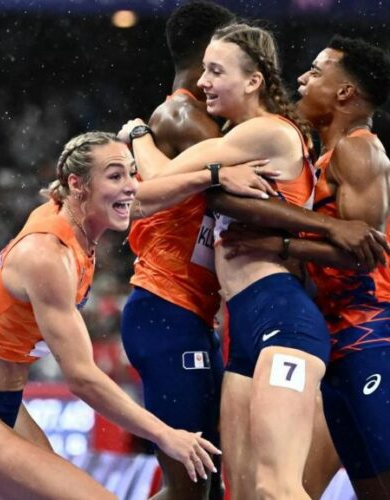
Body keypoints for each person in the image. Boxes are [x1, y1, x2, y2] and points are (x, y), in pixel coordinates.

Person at [118, 23, 366, 498]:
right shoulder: (243, 135)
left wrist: (137, 135)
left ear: (253, 81)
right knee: (244, 492)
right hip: (242, 332)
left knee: (276, 489)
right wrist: (211, 174)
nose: (203, 82)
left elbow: (151, 192)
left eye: (216, 71)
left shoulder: (266, 133)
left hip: (282, 317)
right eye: (204, 69)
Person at [0, 131, 220, 499]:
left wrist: (213, 176)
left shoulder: (74, 214)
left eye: (131, 172)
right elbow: (82, 378)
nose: (131, 186)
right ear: (77, 185)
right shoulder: (47, 256)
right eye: (116, 176)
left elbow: (141, 200)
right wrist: (165, 435)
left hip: (5, 410)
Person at [218, 36, 390, 498]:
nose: (302, 78)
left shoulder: (360, 150)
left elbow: (364, 250)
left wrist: (280, 243)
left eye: (316, 71)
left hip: (373, 330)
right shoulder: (322, 156)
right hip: (340, 338)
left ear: (344, 93)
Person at [120, 3, 235, 498]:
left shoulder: (190, 118)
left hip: (189, 314)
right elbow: (246, 179)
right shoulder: (182, 115)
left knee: (200, 485)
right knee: (187, 488)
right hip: (165, 311)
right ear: (210, 50)